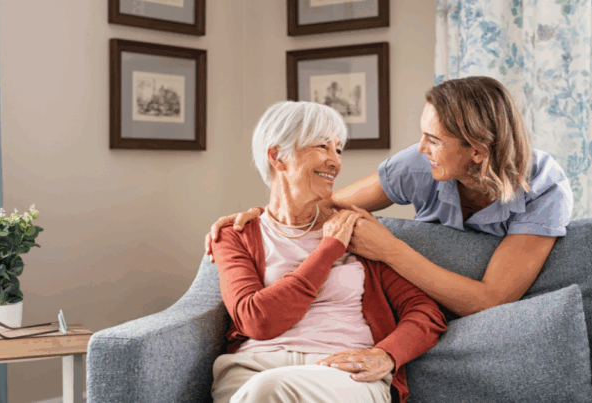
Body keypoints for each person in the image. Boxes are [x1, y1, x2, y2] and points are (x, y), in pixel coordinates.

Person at [207, 76, 573, 318]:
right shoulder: (418, 165)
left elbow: (491, 300)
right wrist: (263, 215)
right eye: (422, 134)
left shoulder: (543, 188)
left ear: (477, 151)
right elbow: (324, 208)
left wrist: (388, 248)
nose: (420, 147)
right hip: (417, 306)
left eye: (434, 140)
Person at [209, 101, 446, 403]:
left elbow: (425, 311)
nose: (335, 162)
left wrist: (386, 355)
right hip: (252, 368)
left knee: (267, 391)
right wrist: (328, 250)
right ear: (276, 156)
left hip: (340, 371)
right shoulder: (235, 234)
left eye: (338, 150)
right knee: (262, 388)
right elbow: (257, 321)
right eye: (323, 146)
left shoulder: (356, 229)